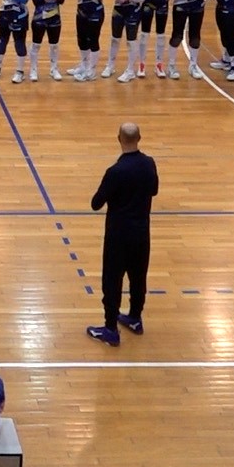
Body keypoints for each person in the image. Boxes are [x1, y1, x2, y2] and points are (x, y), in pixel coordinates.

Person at [87, 122, 160, 346]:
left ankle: (110, 328)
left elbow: (96, 203)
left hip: (118, 236)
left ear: (119, 138)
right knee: (138, 277)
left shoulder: (115, 172)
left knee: (112, 280)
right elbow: (154, 190)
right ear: (140, 138)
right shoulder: (149, 164)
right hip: (141, 233)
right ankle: (135, 317)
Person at [102, 0, 146, 83]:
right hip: (118, 9)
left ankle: (130, 70)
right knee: (115, 38)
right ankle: (110, 65)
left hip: (133, 10)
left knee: (131, 41)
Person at [70, 0, 108, 82]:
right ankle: (84, 65)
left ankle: (91, 70)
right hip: (81, 9)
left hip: (95, 10)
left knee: (93, 39)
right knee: (81, 39)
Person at [30, 0, 66, 82]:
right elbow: (35, 2)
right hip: (39, 18)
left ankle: (54, 69)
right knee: (36, 44)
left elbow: (62, 1)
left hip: (54, 18)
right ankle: (33, 70)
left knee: (54, 45)